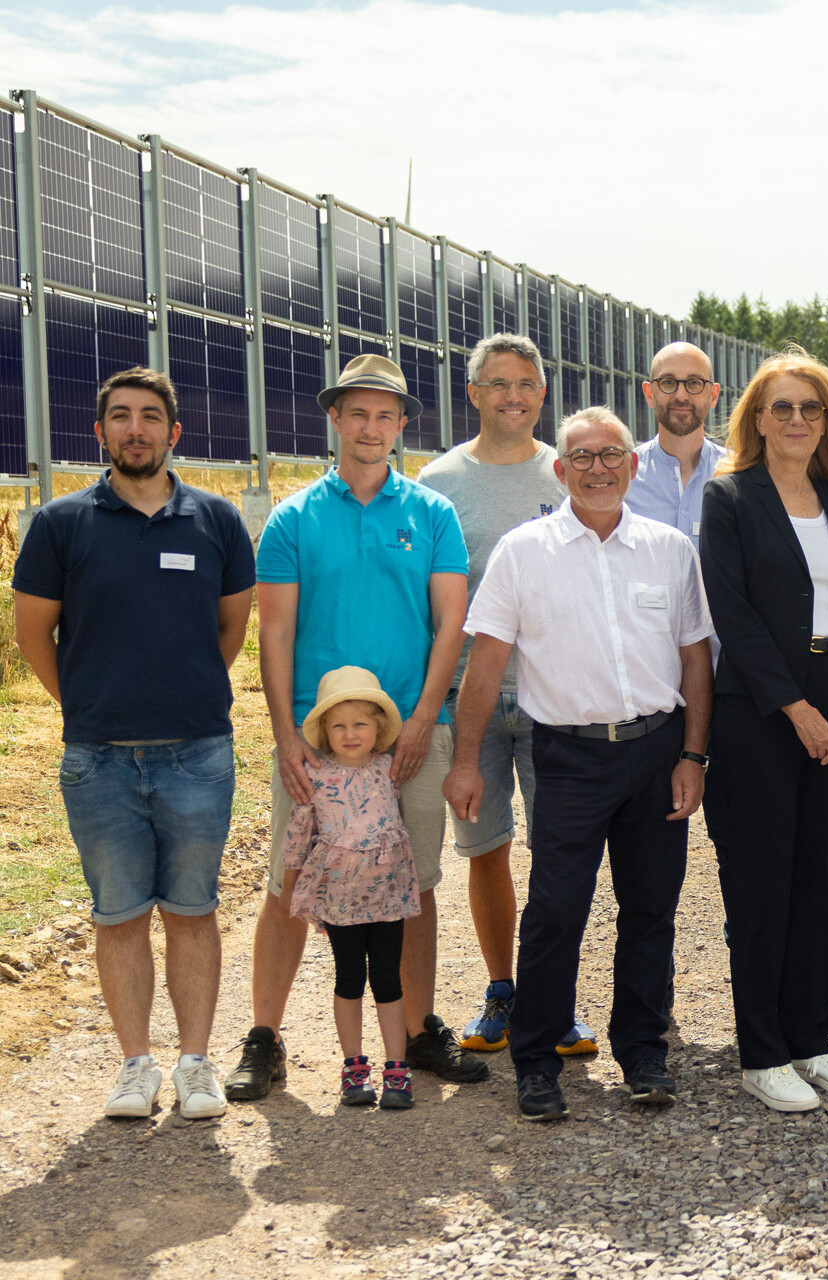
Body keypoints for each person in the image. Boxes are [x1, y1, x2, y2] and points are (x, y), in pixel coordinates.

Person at [448, 406, 714, 1122]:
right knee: (556, 911)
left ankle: (643, 1053)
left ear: (632, 465)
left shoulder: (668, 549)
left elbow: (695, 659)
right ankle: (535, 1063)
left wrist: (692, 753)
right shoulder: (523, 551)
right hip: (566, 756)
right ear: (560, 470)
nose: (598, 468)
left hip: (657, 752)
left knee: (650, 909)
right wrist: (465, 760)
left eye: (611, 455)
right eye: (582, 457)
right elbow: (486, 663)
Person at [231, 353, 483, 1102]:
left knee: (413, 885)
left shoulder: (432, 515)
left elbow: (451, 624)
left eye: (386, 414)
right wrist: (285, 737)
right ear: (334, 418)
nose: (371, 427)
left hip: (411, 734)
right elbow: (273, 636)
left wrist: (420, 722)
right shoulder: (293, 517)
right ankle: (265, 1038)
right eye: (357, 412)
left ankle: (413, 1032)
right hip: (317, 740)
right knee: (289, 882)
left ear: (403, 425)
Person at [11, 367, 254, 1120]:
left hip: (198, 755)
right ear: (100, 433)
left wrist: (178, 693)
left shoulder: (215, 520)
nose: (136, 429)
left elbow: (231, 630)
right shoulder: (59, 524)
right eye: (121, 417)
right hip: (99, 757)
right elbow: (32, 636)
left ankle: (195, 1065)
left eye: (151, 417)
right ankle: (134, 1067)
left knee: (192, 909)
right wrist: (87, 704)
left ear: (174, 433)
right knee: (116, 915)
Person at [700, 349, 828, 1112]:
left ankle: (812, 1040)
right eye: (782, 407)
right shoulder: (730, 499)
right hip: (760, 710)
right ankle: (762, 1052)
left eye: (811, 408)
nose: (798, 420)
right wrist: (798, 711)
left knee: (817, 881)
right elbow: (733, 618)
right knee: (760, 882)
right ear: (756, 418)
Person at [419, 333, 577, 1058]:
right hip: (471, 702)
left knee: (558, 855)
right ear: (474, 394)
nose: (513, 396)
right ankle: (501, 990)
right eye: (498, 384)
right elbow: (432, 601)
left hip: (555, 702)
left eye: (526, 384)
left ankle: (557, 997)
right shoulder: (439, 483)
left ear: (542, 395)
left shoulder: (572, 471)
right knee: (487, 850)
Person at [280, 668, 423, 1111]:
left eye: (360, 724)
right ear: (324, 731)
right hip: (341, 896)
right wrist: (293, 884)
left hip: (387, 893)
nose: (350, 734)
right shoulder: (317, 774)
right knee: (349, 979)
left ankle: (396, 1070)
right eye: (338, 726)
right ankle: (353, 1068)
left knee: (388, 978)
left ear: (378, 728)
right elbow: (299, 832)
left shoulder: (390, 770)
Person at [625, 341, 726, 541]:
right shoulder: (624, 478)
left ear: (713, 395)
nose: (681, 396)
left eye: (694, 383)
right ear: (649, 394)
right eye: (668, 382)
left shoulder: (739, 474)